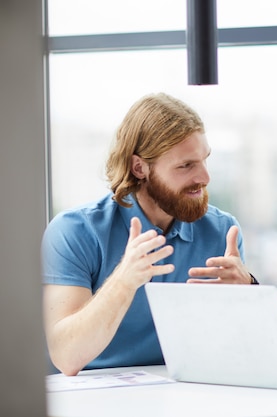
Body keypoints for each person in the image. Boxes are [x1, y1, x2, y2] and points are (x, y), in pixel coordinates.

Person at [42, 93, 257, 376]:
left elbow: (238, 349)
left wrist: (249, 292)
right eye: (185, 165)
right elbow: (67, 357)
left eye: (205, 159)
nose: (205, 177)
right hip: (93, 395)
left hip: (184, 389)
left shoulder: (221, 231)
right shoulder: (74, 231)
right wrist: (124, 281)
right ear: (140, 167)